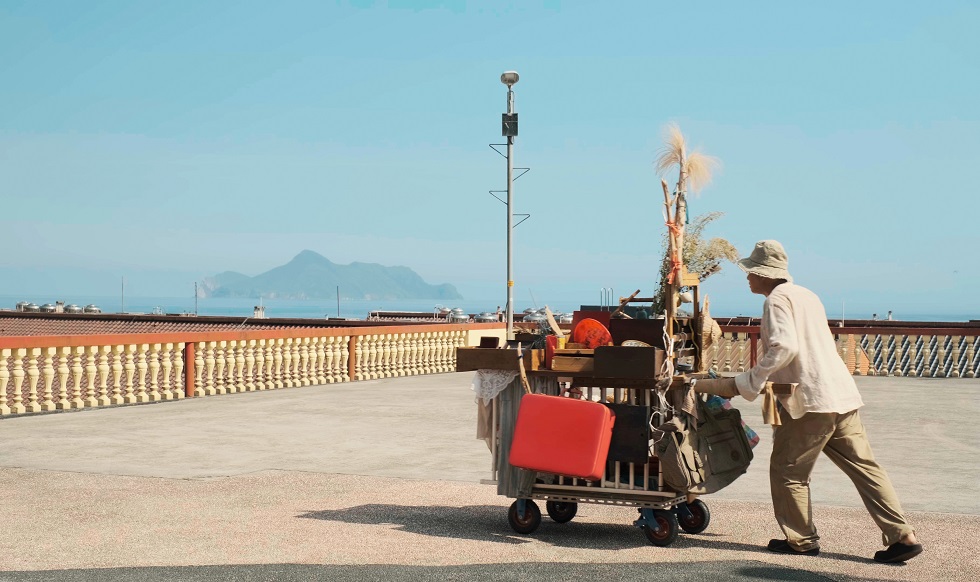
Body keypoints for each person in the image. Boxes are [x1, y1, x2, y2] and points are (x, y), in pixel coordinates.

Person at [692, 240, 922, 563]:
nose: (747, 277)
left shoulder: (775, 301)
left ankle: (802, 540)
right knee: (866, 469)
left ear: (763, 274)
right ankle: (903, 535)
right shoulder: (808, 295)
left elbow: (784, 347)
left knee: (787, 471)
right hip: (841, 395)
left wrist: (753, 379)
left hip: (810, 402)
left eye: (750, 271)